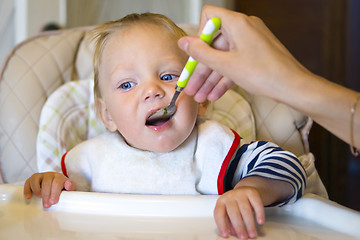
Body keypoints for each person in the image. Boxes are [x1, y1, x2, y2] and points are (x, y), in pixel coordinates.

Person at [24, 13, 318, 240]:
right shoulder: (89, 161)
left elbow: (289, 167)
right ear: (107, 115)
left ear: (201, 99)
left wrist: (250, 188)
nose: (152, 90)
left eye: (168, 76)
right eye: (128, 84)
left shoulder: (212, 148)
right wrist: (48, 184)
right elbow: (55, 213)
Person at [177, 4, 360, 155]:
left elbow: (283, 168)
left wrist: (254, 185)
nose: (152, 90)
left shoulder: (217, 143)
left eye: (167, 77)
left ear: (201, 104)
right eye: (145, 80)